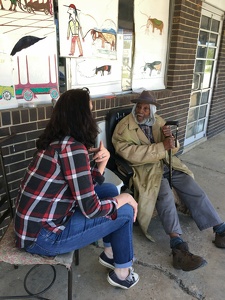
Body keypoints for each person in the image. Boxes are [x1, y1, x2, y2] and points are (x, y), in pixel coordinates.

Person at [14, 88, 139, 289]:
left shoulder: (57, 143)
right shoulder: (72, 148)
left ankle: (110, 254)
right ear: (80, 116)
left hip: (34, 227)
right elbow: (91, 208)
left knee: (108, 190)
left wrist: (102, 163)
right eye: (89, 111)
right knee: (124, 210)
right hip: (42, 238)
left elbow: (86, 188)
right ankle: (122, 274)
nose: (93, 117)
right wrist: (126, 198)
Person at [112, 90, 225, 272]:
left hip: (166, 163)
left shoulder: (159, 121)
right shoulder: (123, 127)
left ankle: (220, 230)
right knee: (164, 193)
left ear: (152, 110)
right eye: (139, 107)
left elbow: (173, 149)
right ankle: (178, 247)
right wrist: (161, 146)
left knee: (191, 185)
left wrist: (170, 139)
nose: (141, 111)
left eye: (146, 109)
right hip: (145, 169)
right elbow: (128, 154)